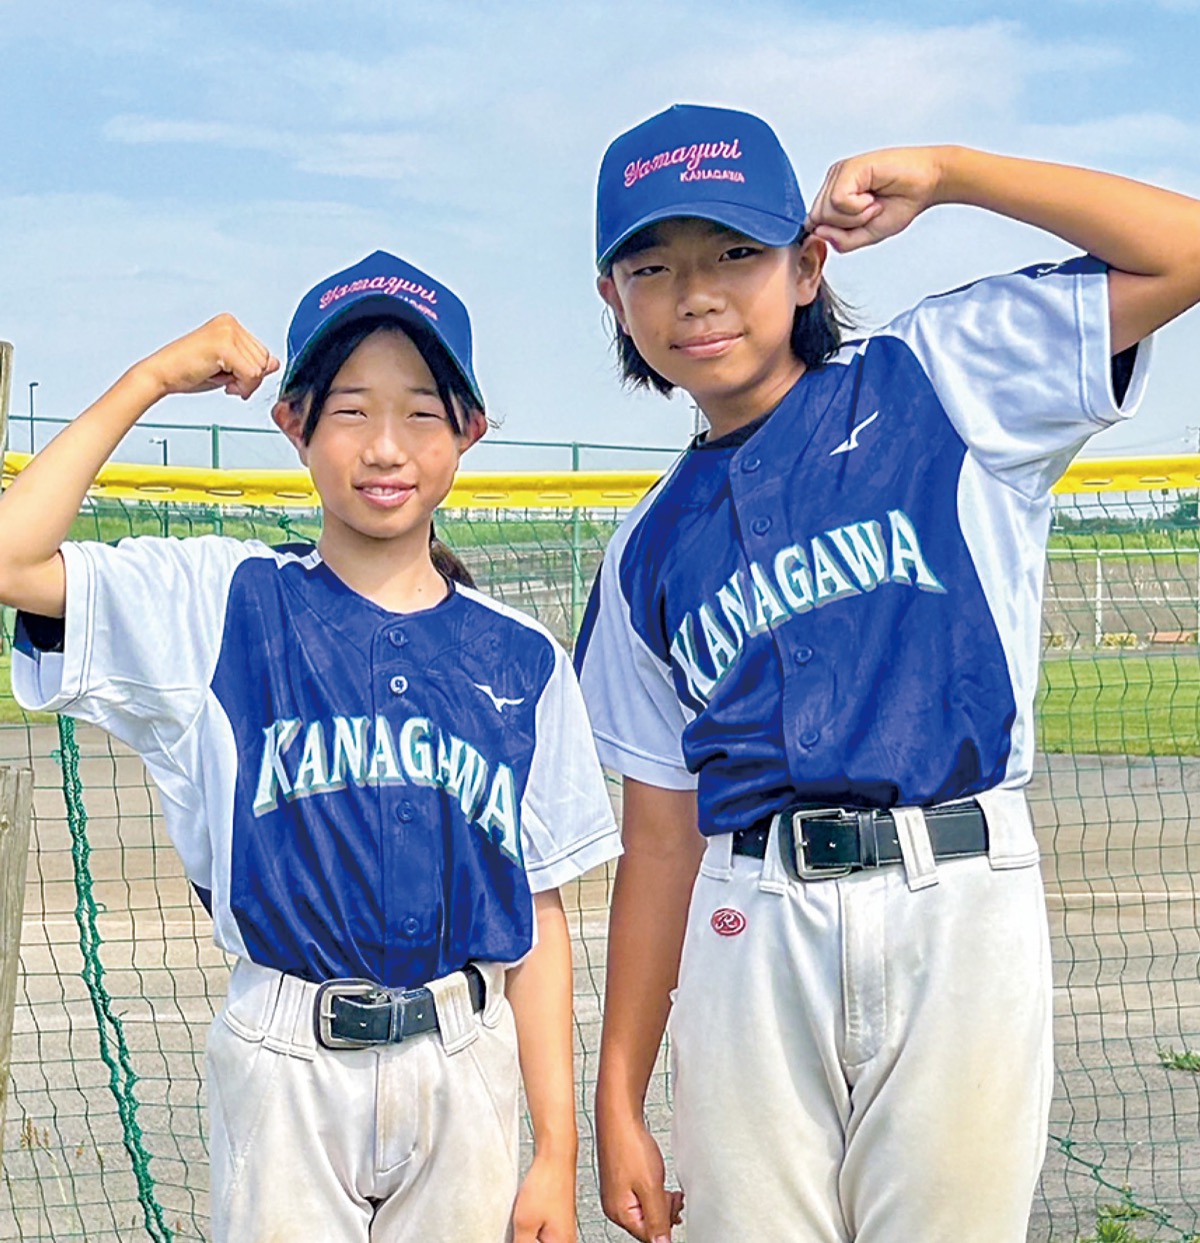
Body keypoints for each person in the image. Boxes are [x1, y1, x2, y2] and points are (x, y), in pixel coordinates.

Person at [574, 103, 1200, 1243]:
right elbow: (660, 841)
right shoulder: (641, 554)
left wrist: (953, 173)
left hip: (955, 896)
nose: (697, 293)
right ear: (615, 299)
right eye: (653, 265)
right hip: (750, 924)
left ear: (809, 263)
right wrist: (618, 1095)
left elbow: (1183, 248)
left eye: (735, 252)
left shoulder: (939, 376)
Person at [1, 250, 622, 1242]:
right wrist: (153, 378)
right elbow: (11, 556)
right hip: (287, 1054)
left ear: (470, 431)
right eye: (349, 410)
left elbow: (538, 916)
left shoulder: (524, 659)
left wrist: (556, 1153)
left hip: (465, 1053)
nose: (385, 446)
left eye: (422, 411)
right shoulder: (221, 602)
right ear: (293, 425)